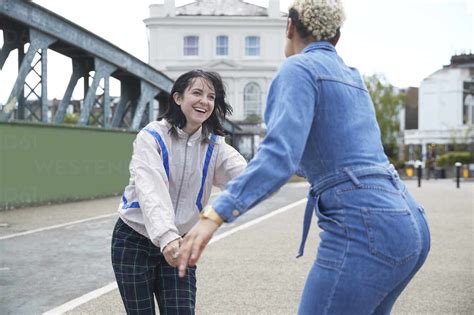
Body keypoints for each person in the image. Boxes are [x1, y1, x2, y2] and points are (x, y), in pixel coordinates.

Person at [178, 1, 431, 314]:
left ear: (289, 28)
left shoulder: (298, 68)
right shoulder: (352, 76)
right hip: (410, 221)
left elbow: (279, 158)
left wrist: (213, 215)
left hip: (365, 227)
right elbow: (324, 156)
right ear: (336, 37)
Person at [111, 69, 247, 314]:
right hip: (133, 239)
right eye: (197, 93)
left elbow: (247, 178)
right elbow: (151, 190)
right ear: (177, 98)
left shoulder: (216, 145)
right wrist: (167, 238)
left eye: (211, 96)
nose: (204, 101)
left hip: (180, 242)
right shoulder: (151, 136)